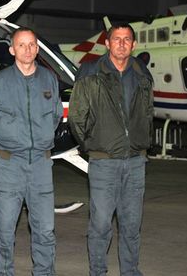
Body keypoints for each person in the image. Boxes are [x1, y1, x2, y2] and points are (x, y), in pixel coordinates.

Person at [68, 23, 154, 276]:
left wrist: (142, 143)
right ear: (107, 44)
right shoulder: (90, 72)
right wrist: (92, 145)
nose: (121, 43)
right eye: (116, 39)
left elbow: (148, 112)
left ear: (134, 44)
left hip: (136, 161)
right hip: (104, 161)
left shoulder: (141, 72)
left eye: (127, 39)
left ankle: (130, 271)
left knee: (131, 224)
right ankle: (98, 271)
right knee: (101, 223)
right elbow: (76, 116)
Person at [0, 27, 62, 276]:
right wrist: (10, 142)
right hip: (9, 165)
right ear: (12, 50)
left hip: (40, 164)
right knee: (5, 229)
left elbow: (56, 116)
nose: (27, 49)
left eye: (32, 45)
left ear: (37, 49)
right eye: (22, 45)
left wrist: (39, 139)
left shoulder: (49, 80)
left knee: (45, 229)